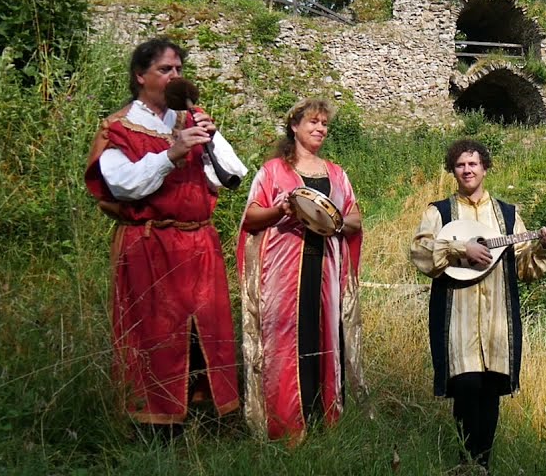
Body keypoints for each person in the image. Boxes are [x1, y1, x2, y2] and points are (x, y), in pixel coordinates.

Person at [83, 37, 247, 434]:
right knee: (155, 333)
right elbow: (123, 186)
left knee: (203, 331)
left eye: (178, 69)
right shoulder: (119, 127)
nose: (175, 76)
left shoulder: (191, 119)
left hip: (198, 242)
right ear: (141, 76)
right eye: (165, 69)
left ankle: (203, 419)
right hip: (150, 244)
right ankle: (151, 425)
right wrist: (171, 154)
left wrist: (209, 135)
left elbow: (232, 175)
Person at [410, 139, 546, 472]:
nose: (467, 170)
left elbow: (524, 267)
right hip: (457, 314)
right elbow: (421, 251)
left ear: (485, 168)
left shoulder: (507, 215)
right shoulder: (440, 211)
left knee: (490, 388)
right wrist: (460, 249)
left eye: (473, 164)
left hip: (497, 319)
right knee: (465, 385)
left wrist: (543, 248)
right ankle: (465, 463)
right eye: (461, 165)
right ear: (453, 170)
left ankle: (483, 466)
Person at [239, 98, 365, 441]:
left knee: (325, 336)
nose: (320, 129)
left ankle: (324, 419)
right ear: (294, 126)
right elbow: (250, 217)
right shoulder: (273, 171)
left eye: (325, 123)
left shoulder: (337, 174)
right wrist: (278, 209)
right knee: (284, 339)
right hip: (282, 271)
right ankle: (285, 424)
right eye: (313, 122)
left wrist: (334, 222)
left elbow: (355, 218)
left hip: (326, 268)